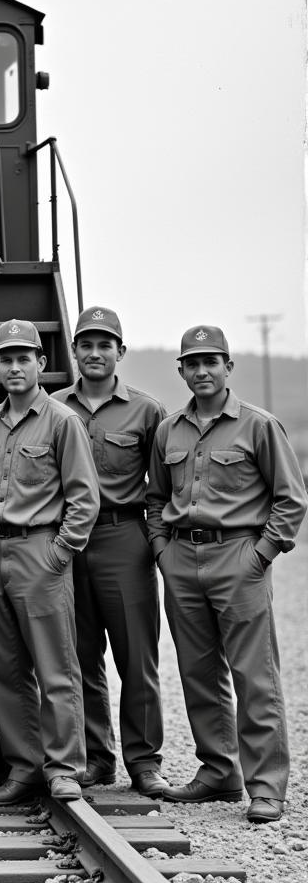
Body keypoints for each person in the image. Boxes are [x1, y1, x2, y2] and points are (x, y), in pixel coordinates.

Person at [146, 325, 308, 824]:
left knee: (253, 676)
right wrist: (161, 551)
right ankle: (219, 773)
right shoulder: (168, 429)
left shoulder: (259, 425)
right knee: (198, 674)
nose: (202, 371)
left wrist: (258, 557)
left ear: (228, 366)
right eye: (192, 363)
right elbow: (155, 498)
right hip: (182, 559)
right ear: (181, 370)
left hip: (238, 557)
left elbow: (291, 499)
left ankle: (266, 788)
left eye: (211, 361)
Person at [0, 319, 98, 804]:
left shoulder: (61, 420)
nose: (14, 366)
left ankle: (64, 768)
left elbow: (84, 497)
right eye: (6, 358)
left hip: (39, 551)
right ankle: (24, 768)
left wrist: (59, 552)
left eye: (24, 358)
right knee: (1, 667)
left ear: (41, 364)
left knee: (55, 664)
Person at [51, 307, 168, 798]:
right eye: (86, 345)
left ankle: (145, 763)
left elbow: (162, 488)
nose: (94, 354)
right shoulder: (53, 406)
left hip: (124, 538)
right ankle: (96, 759)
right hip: (65, 543)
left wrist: (157, 545)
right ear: (73, 352)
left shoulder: (147, 411)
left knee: (136, 656)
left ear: (120, 352)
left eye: (105, 345)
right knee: (79, 656)